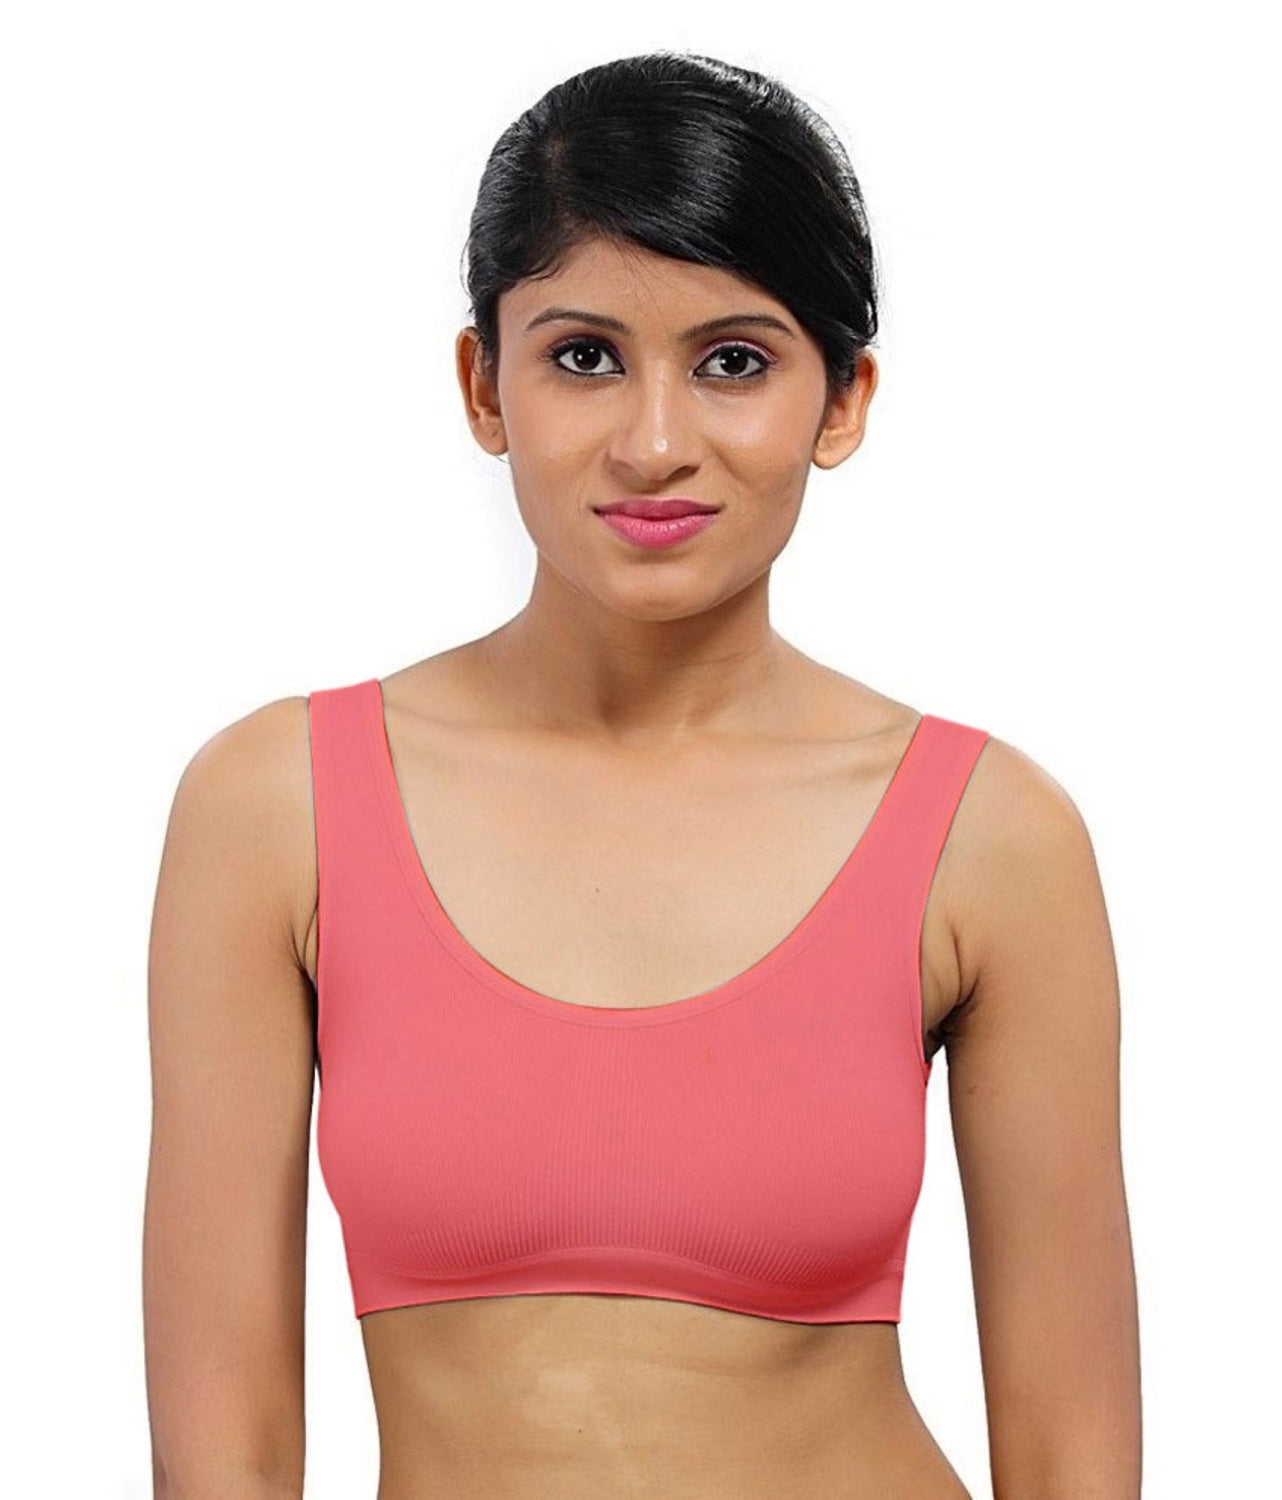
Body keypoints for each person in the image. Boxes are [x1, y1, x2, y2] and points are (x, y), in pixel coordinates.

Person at [142, 50, 1142, 1500]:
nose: (655, 444)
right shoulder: (273, 809)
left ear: (841, 401)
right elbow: (222, 1445)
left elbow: (1072, 1457)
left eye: (734, 361)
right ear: (483, 385)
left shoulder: (992, 840)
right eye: (584, 356)